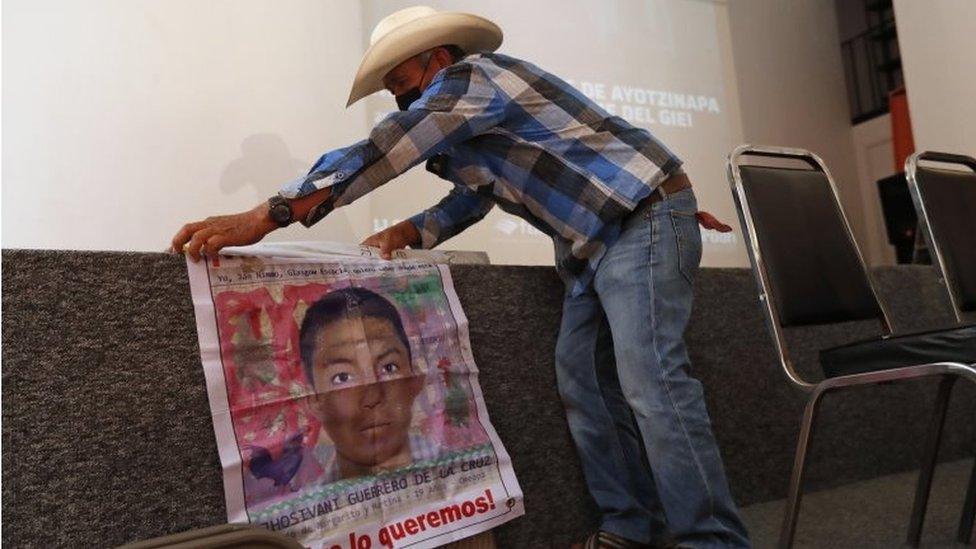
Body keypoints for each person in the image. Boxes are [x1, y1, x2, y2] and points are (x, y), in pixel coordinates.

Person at [171, 6, 749, 548]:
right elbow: (472, 200)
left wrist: (268, 215)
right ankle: (631, 530)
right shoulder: (475, 126)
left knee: (653, 386)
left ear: (439, 63)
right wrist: (407, 232)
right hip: (595, 247)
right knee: (585, 386)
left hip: (641, 219)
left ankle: (711, 540)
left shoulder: (475, 78)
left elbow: (391, 146)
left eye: (401, 82)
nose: (400, 100)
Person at [298, 287, 435, 481]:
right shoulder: (308, 507)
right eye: (343, 378)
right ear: (314, 402)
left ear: (414, 381)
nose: (372, 398)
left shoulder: (465, 469)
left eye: (389, 367)